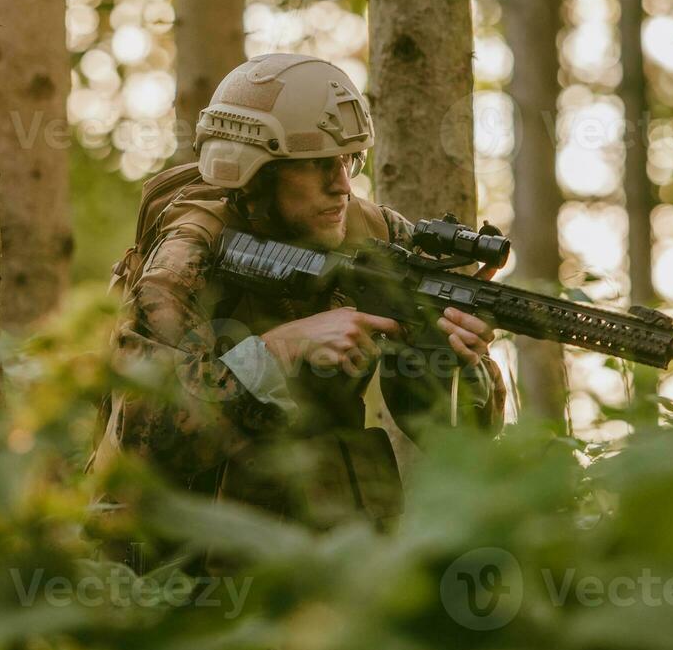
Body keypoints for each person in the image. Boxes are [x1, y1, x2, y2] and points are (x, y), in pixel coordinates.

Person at [90, 53, 505, 542]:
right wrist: (280, 349)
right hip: (187, 569)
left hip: (328, 561)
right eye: (316, 165)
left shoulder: (373, 234)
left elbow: (457, 436)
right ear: (256, 171)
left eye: (349, 160)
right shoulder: (187, 254)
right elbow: (145, 442)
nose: (342, 186)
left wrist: (455, 359)